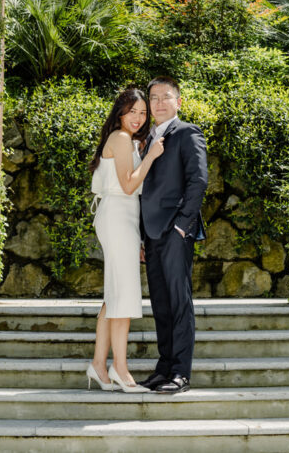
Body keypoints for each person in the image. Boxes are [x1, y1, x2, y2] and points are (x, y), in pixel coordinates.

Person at [85, 87, 165, 392]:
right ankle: (119, 368)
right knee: (124, 295)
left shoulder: (129, 141)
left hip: (125, 219)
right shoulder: (119, 138)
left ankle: (98, 365)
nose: (138, 117)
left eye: (143, 113)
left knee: (115, 294)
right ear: (120, 111)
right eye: (133, 111)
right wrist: (152, 156)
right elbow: (129, 186)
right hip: (117, 215)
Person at [137, 76, 208, 394]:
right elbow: (143, 191)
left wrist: (182, 225)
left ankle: (181, 373)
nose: (159, 102)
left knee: (179, 302)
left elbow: (198, 181)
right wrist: (141, 235)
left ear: (178, 101)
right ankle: (163, 367)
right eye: (154, 98)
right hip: (151, 234)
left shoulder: (187, 133)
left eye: (166, 96)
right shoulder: (146, 139)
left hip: (176, 232)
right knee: (161, 304)